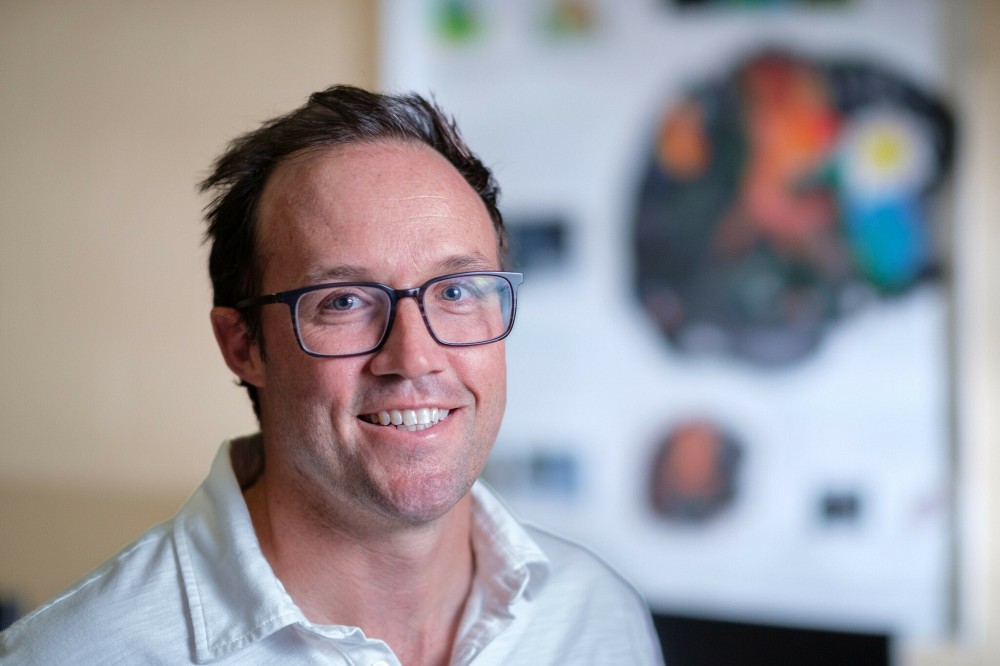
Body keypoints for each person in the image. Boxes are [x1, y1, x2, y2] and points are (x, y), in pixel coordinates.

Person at [0, 85, 663, 665]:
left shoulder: (598, 619)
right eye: (343, 301)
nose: (415, 357)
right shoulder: (80, 654)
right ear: (243, 345)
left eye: (457, 291)